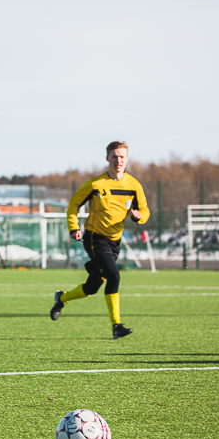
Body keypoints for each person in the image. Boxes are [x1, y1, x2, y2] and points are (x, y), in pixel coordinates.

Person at [50, 141, 149, 339]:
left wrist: (139, 217)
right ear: (107, 158)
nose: (118, 160)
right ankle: (116, 326)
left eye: (122, 157)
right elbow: (73, 204)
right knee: (114, 276)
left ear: (127, 159)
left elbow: (144, 211)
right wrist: (74, 227)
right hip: (95, 238)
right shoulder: (96, 184)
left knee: (92, 287)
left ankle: (62, 298)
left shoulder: (134, 185)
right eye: (114, 156)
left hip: (115, 241)